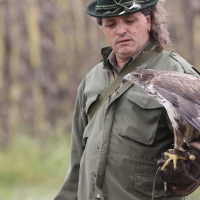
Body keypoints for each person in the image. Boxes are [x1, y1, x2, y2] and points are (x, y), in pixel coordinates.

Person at [54, 0, 200, 199]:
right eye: (111, 24)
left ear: (148, 21)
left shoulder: (176, 74)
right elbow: (77, 162)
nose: (120, 30)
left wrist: (192, 157)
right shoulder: (93, 79)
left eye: (129, 21)